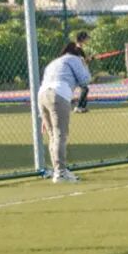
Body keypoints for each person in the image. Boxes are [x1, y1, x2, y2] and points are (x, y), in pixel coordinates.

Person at [38, 42, 90, 183]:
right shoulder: (75, 59)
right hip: (58, 94)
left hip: (42, 96)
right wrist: (85, 66)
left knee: (52, 135)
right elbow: (85, 81)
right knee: (60, 135)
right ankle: (61, 173)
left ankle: (58, 171)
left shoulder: (53, 62)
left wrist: (43, 116)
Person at [73, 31, 91, 113]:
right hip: (78, 72)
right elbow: (82, 62)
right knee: (85, 89)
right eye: (86, 38)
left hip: (79, 72)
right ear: (82, 39)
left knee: (84, 88)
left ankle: (82, 107)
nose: (87, 40)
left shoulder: (79, 49)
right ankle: (78, 107)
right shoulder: (77, 49)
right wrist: (88, 59)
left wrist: (88, 59)